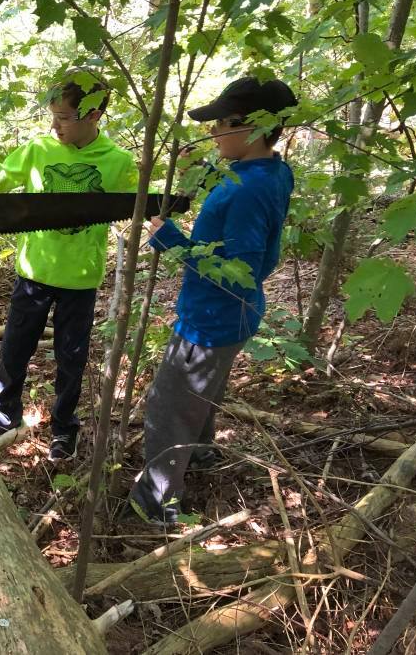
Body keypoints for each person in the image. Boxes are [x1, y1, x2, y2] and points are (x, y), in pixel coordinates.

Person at [0, 74, 138, 462]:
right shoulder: (39, 149)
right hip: (33, 274)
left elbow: (143, 203)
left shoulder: (118, 163)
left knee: (71, 359)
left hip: (80, 281)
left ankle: (64, 429)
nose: (55, 125)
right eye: (53, 115)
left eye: (64, 117)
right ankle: (4, 419)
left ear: (94, 115)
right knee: (15, 351)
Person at [127, 76, 297, 525]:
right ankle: (200, 453)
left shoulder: (247, 190)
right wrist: (201, 172)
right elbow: (239, 195)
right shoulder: (272, 171)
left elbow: (239, 272)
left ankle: (157, 500)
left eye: (222, 124)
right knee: (202, 392)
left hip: (211, 319)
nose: (213, 131)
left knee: (167, 408)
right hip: (230, 317)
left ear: (254, 128)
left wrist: (171, 242)